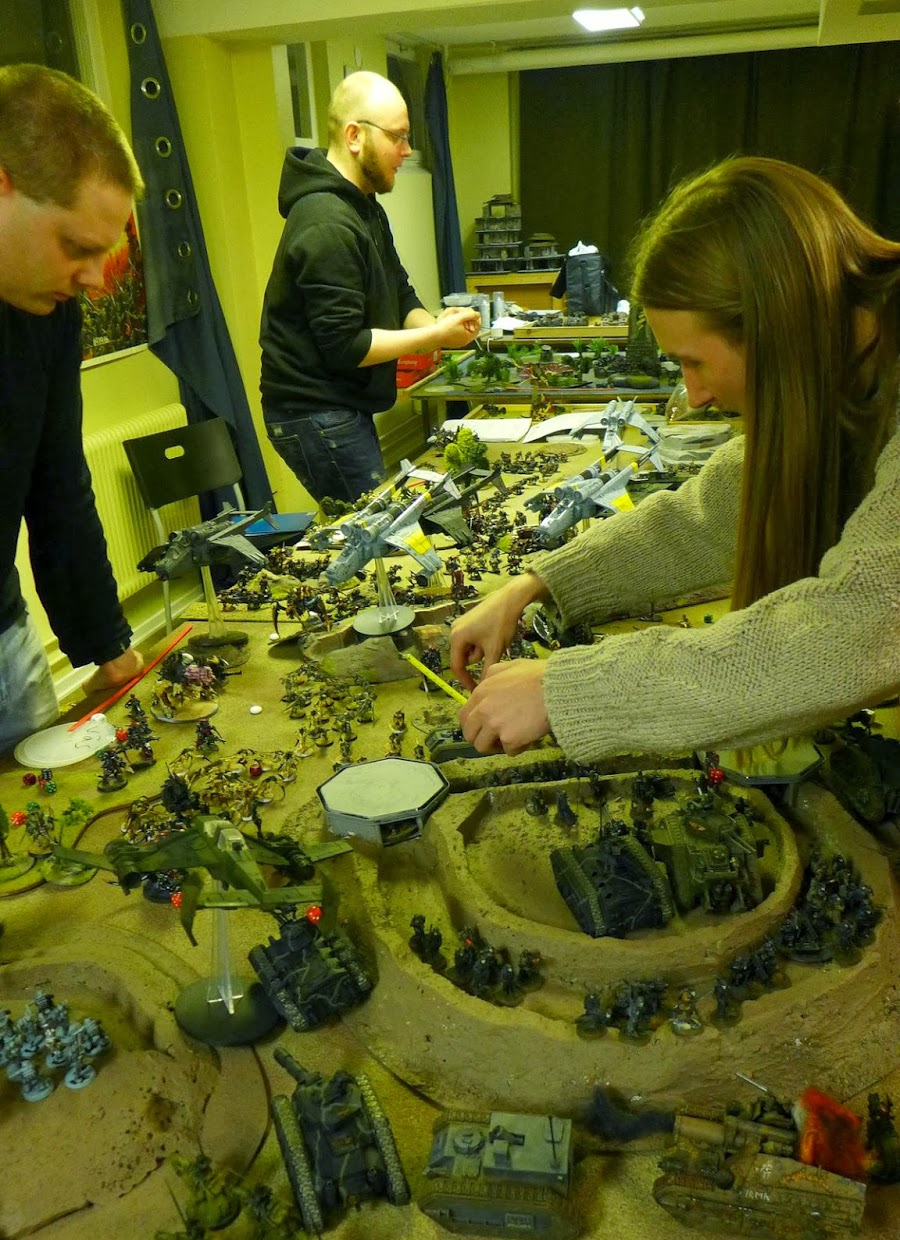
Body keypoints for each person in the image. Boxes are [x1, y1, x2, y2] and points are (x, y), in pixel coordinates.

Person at [450, 157, 900, 761]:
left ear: (774, 327)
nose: (695, 395)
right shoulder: (844, 369)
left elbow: (856, 626)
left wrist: (569, 690)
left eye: (695, 361)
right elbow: (711, 516)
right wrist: (536, 584)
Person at [0, 63, 144, 755]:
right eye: (76, 248)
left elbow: (57, 479)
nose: (93, 279)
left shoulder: (49, 310)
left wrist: (104, 640)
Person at [260, 70, 480, 507]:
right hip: (314, 411)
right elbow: (347, 346)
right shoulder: (325, 222)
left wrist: (436, 326)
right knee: (380, 527)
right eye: (397, 137)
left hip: (338, 405)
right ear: (355, 136)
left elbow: (399, 290)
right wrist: (435, 336)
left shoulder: (364, 207)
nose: (407, 150)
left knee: (378, 522)